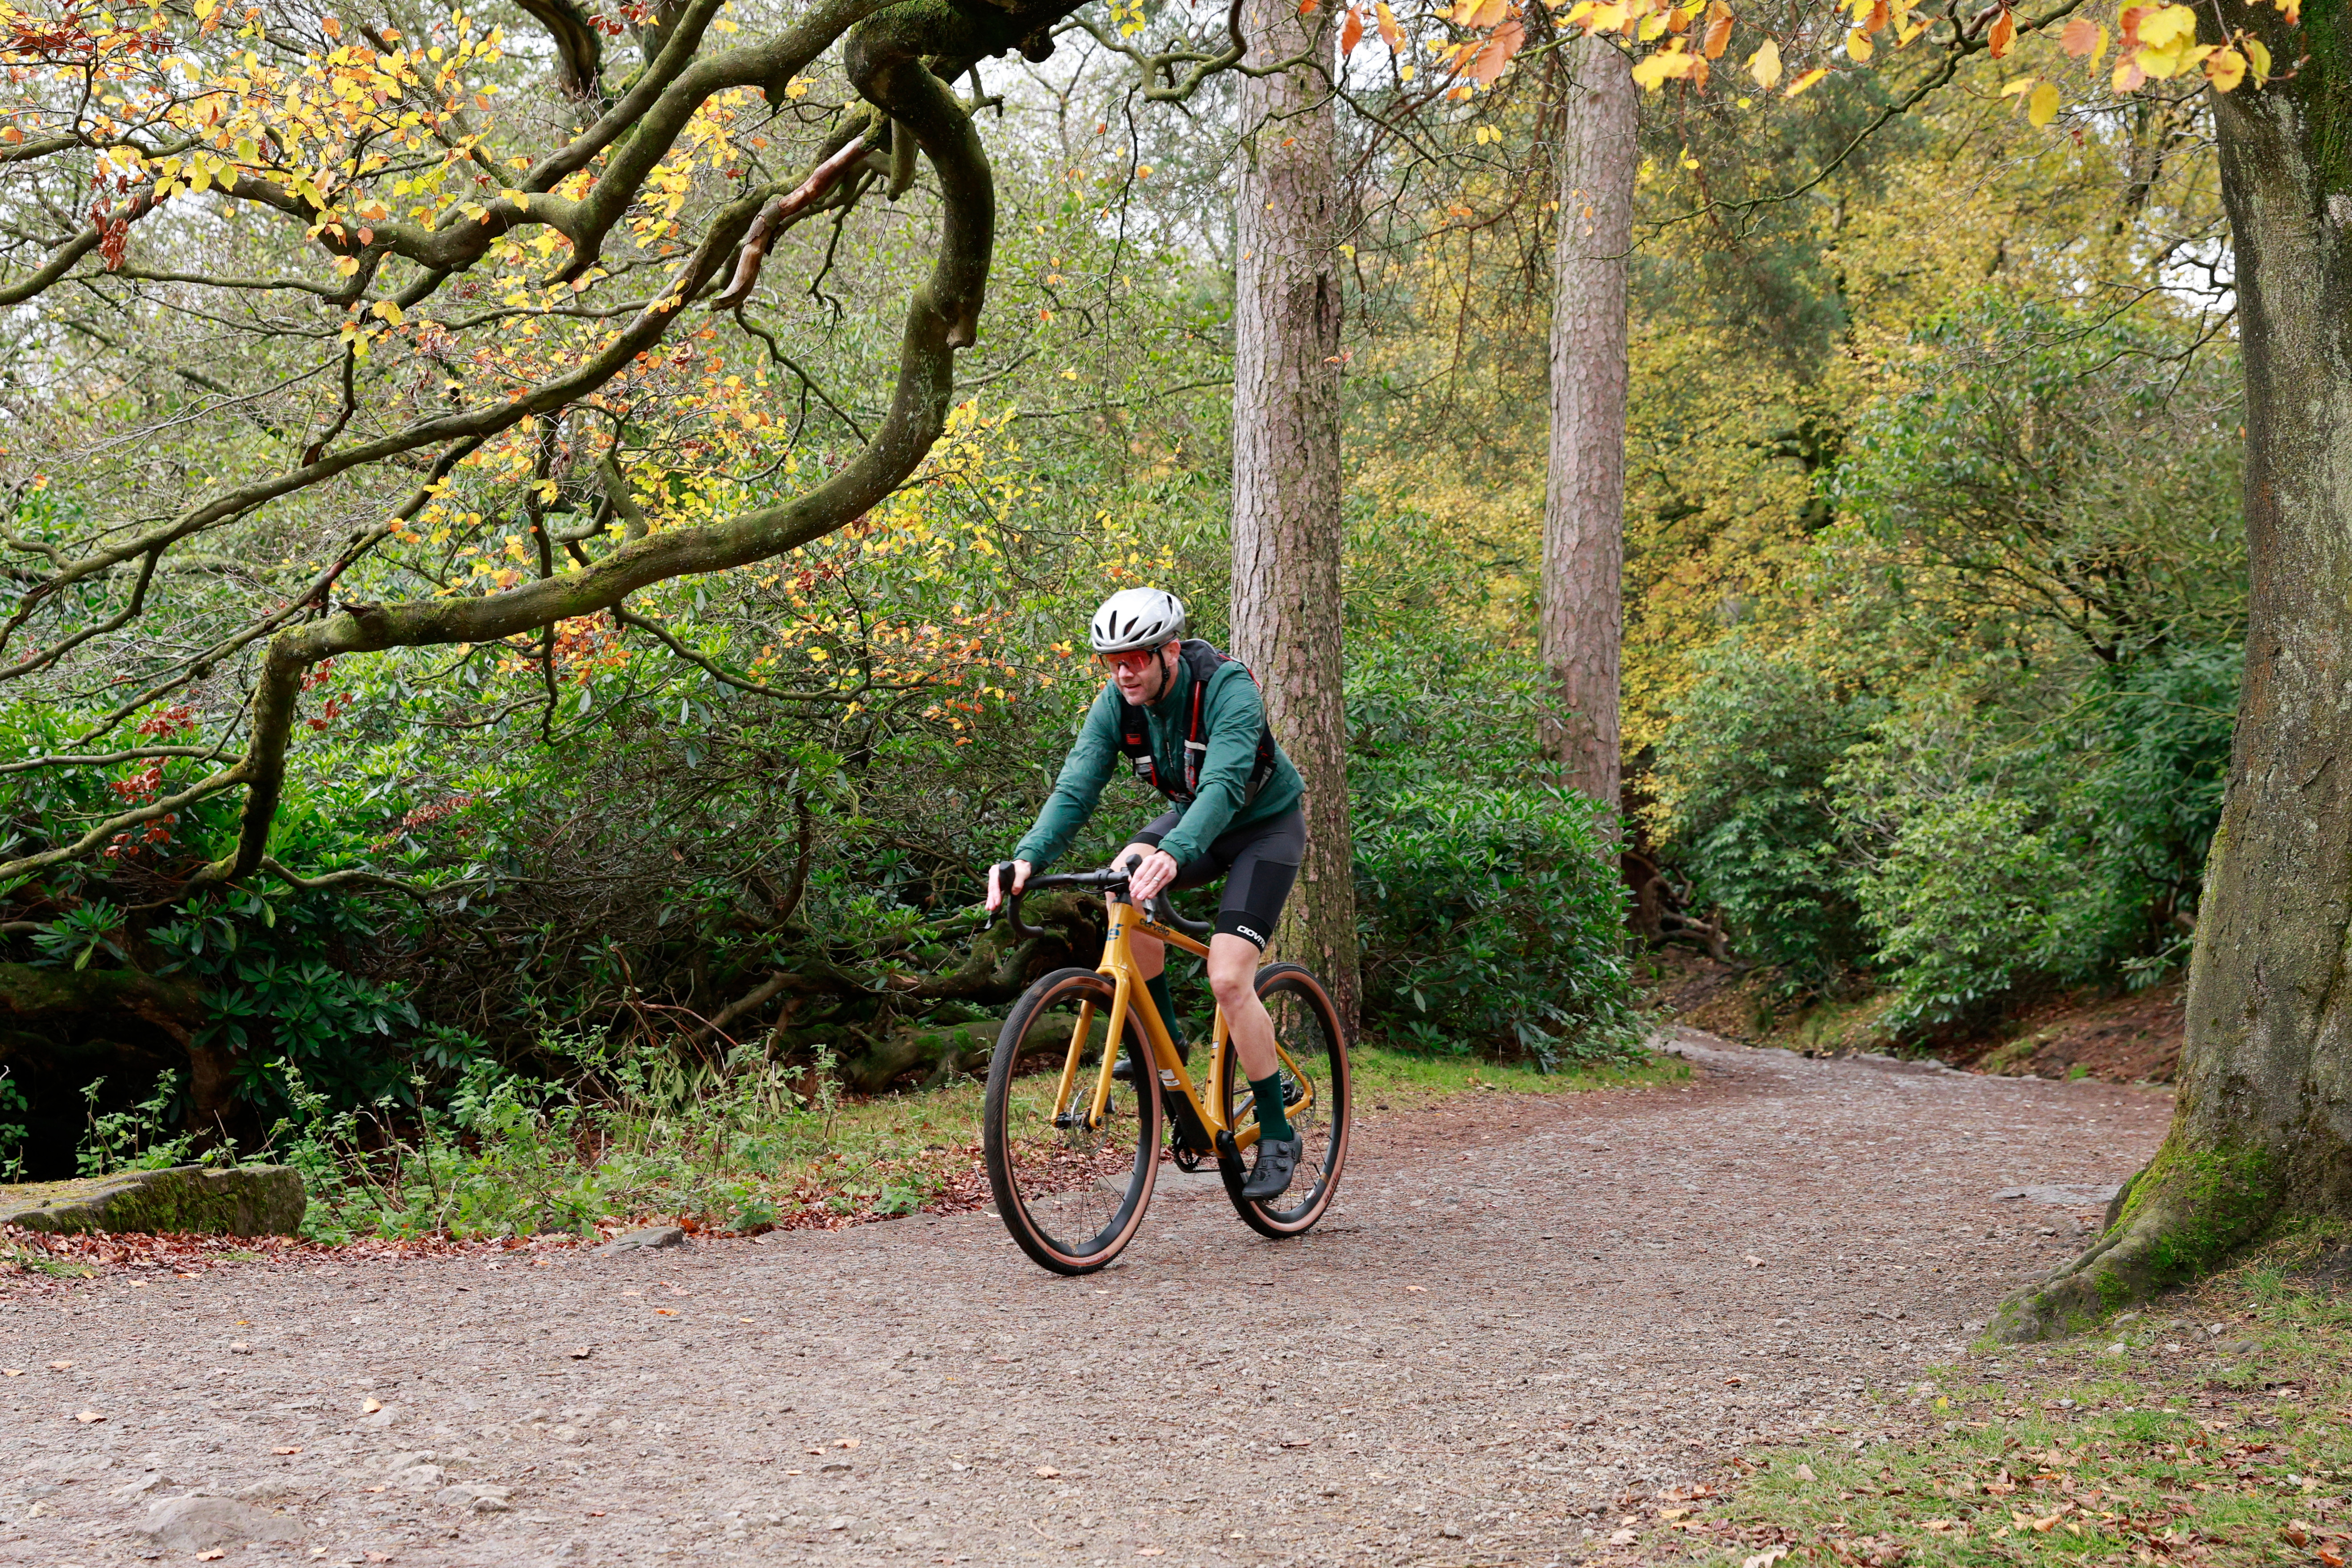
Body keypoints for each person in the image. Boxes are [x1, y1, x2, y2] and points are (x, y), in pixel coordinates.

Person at [985, 587, 1309, 1199]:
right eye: (1113, 659)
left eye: (1135, 656)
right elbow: (1077, 788)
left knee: (1229, 978)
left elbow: (1222, 783)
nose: (1124, 670)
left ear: (1170, 650)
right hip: (1196, 824)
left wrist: (1174, 853)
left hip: (1263, 827)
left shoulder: (1226, 688)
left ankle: (1275, 1131)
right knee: (1120, 880)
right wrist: (1027, 857)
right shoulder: (1117, 703)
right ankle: (1167, 1050)